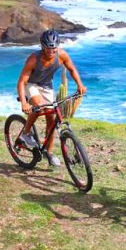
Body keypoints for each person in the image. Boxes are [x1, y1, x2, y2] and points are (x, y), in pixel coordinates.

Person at [16, 29, 86, 166]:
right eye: (48, 49)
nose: (51, 52)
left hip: (47, 86)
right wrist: (24, 103)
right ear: (43, 47)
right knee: (40, 108)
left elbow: (72, 69)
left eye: (54, 49)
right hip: (31, 84)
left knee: (52, 120)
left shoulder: (61, 55)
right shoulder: (33, 59)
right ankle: (25, 133)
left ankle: (49, 152)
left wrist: (80, 85)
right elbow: (21, 82)